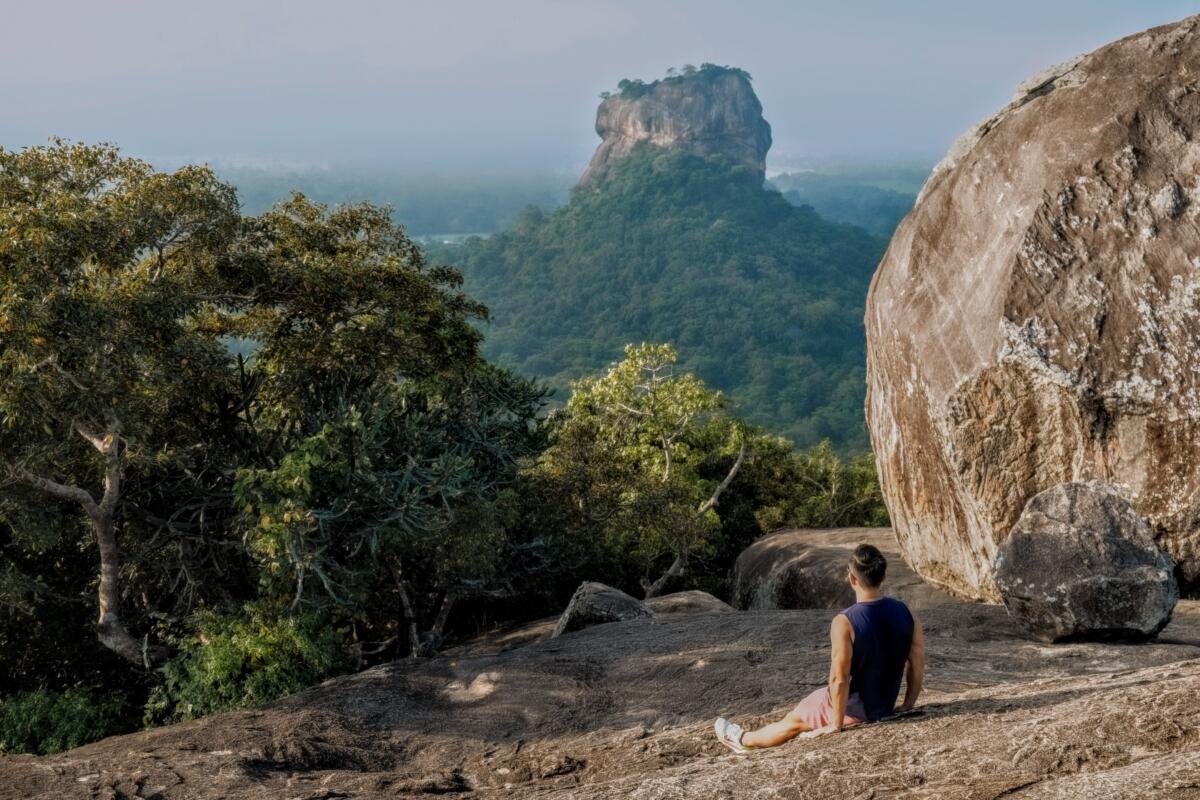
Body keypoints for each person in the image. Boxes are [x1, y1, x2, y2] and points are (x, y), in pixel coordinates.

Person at [715, 543, 925, 753]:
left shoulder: (845, 622)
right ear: (882, 576)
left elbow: (839, 679)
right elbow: (917, 664)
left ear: (852, 578)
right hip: (883, 705)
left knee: (793, 723)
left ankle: (743, 740)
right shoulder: (907, 613)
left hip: (856, 708)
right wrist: (907, 705)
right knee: (802, 708)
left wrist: (836, 724)